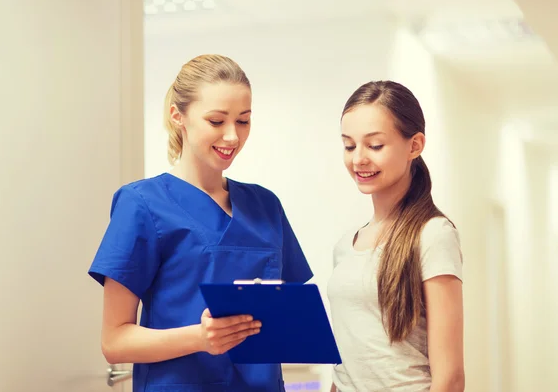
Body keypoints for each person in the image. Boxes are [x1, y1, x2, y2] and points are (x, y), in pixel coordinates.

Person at [88, 54, 313, 392]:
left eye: (243, 121)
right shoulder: (143, 204)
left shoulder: (266, 205)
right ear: (178, 116)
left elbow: (287, 320)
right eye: (216, 121)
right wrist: (200, 337)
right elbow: (115, 341)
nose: (232, 136)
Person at [327, 81, 465, 392]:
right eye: (349, 146)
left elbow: (451, 378)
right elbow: (347, 368)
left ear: (414, 145)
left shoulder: (432, 235)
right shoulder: (344, 247)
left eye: (375, 145)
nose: (358, 159)